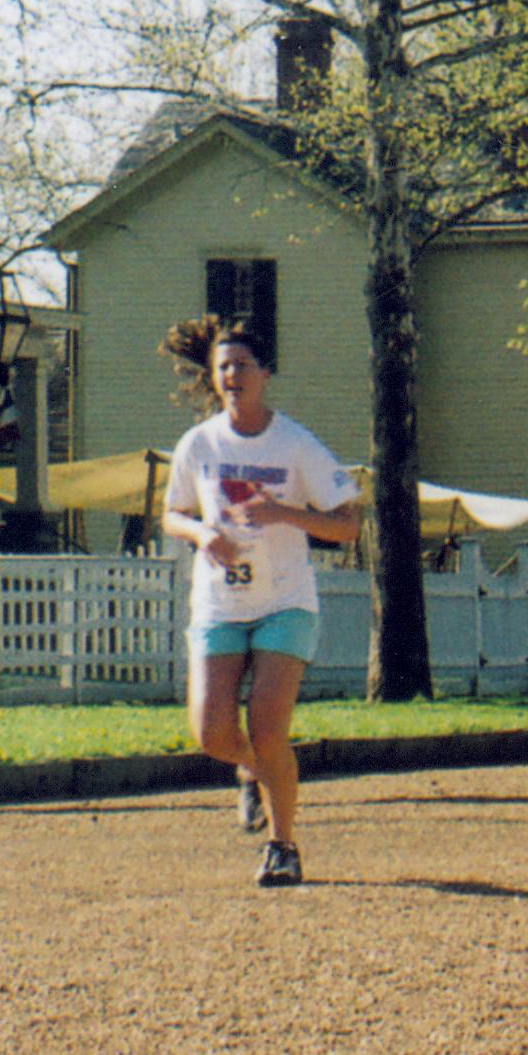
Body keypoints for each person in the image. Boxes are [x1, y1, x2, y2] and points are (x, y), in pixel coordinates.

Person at [157, 318, 359, 888]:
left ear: (266, 373)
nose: (232, 375)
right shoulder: (199, 444)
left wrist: (285, 514)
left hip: (285, 601)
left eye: (243, 365)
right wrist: (202, 535)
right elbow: (171, 512)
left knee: (269, 727)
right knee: (211, 732)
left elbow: (348, 524)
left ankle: (283, 845)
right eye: (223, 367)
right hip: (220, 600)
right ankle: (252, 770)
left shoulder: (294, 443)